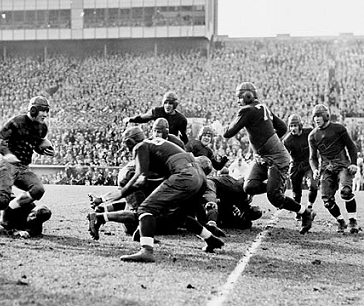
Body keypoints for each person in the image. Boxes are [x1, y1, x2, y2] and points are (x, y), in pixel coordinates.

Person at [100, 126, 224, 263]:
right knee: (180, 216)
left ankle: (146, 250)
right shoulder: (159, 144)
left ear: (130, 141)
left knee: (145, 209)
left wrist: (119, 193)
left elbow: (140, 178)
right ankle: (210, 239)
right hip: (200, 177)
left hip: (185, 175)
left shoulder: (141, 146)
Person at [222, 82, 315, 234]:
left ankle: (305, 212)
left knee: (275, 198)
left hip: (278, 158)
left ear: (247, 95)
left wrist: (219, 128)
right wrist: (268, 143)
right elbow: (283, 128)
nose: (238, 101)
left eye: (239, 97)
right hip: (262, 156)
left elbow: (228, 133)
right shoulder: (263, 107)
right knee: (249, 187)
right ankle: (276, 184)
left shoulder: (247, 110)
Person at [0, 96, 55, 245]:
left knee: (38, 189)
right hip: (6, 164)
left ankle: (9, 210)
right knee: (1, 199)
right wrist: (8, 154)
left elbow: (34, 144)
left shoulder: (42, 128)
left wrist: (43, 150)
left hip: (23, 167)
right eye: (42, 112)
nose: (45, 115)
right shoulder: (17, 121)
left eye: (47, 112)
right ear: (33, 110)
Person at [308, 104, 360, 234]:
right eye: (315, 116)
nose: (316, 119)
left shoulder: (338, 129)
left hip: (342, 165)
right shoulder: (312, 136)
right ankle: (341, 221)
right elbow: (312, 158)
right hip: (326, 168)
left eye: (319, 115)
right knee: (327, 200)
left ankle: (353, 220)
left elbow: (351, 146)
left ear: (326, 116)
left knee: (346, 191)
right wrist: (315, 169)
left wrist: (353, 163)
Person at [123, 91, 188, 143]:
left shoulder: (181, 119)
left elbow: (184, 138)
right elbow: (143, 118)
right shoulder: (157, 111)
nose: (167, 105)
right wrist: (130, 119)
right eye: (166, 103)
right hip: (155, 139)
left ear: (175, 105)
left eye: (170, 103)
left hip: (170, 142)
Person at [282, 114, 317, 210]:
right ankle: (298, 210)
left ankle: (310, 207)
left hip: (308, 163)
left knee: (313, 185)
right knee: (296, 191)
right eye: (291, 126)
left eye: (295, 125)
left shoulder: (309, 132)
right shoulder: (287, 140)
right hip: (296, 164)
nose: (293, 128)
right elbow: (285, 156)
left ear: (300, 125)